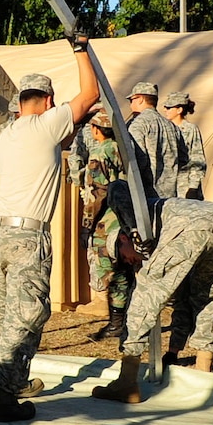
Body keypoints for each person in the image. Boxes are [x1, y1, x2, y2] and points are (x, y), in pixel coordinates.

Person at [0, 45, 101, 424]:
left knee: (2, 314)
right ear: (48, 101)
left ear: (20, 103)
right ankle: (5, 398)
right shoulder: (46, 124)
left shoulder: (8, 133)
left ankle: (7, 381)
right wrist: (82, 50)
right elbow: (89, 95)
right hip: (26, 238)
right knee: (27, 314)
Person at [91, 189, 213, 403]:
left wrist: (133, 228)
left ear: (123, 239)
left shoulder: (135, 224)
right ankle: (204, 370)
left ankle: (126, 382)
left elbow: (116, 188)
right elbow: (183, 300)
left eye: (126, 258)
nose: (132, 263)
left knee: (144, 295)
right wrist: (173, 352)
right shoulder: (159, 231)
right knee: (205, 296)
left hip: (194, 226)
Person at [79, 111, 135, 345]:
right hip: (126, 219)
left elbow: (97, 194)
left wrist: (86, 225)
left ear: (95, 130)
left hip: (107, 221)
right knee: (125, 271)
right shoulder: (124, 148)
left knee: (109, 273)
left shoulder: (99, 153)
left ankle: (116, 323)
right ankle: (121, 322)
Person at [123, 81, 186, 202]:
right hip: (170, 198)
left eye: (132, 100)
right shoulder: (172, 126)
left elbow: (135, 161)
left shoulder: (138, 125)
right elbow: (184, 159)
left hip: (146, 197)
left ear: (140, 99)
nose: (130, 106)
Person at [164, 92, 207, 198]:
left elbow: (197, 158)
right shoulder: (165, 128)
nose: (166, 110)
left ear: (179, 110)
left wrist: (193, 187)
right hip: (168, 186)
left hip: (185, 185)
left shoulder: (190, 129)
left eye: (169, 108)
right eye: (165, 107)